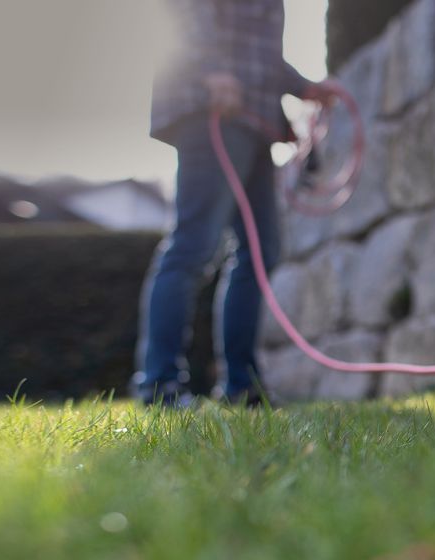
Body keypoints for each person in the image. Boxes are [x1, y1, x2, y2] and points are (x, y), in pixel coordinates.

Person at [137, 0, 325, 406]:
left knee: (261, 253)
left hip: (256, 123)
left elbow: (260, 57)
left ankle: (242, 385)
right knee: (192, 246)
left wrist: (305, 88)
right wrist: (211, 69)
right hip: (210, 111)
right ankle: (159, 384)